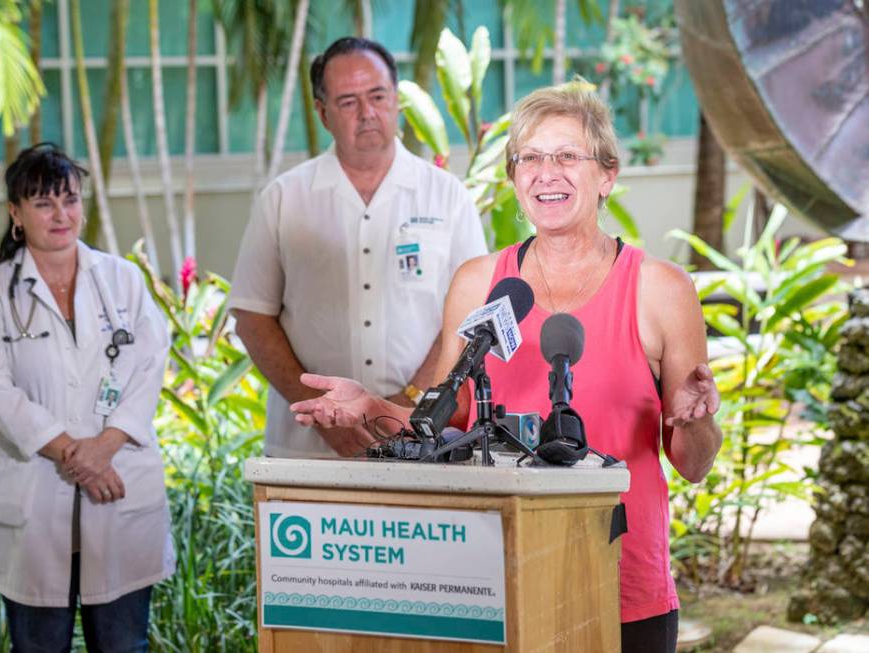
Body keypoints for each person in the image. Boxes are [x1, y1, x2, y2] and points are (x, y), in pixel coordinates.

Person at [289, 82, 722, 653]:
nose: (548, 173)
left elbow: (693, 465)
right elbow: (442, 433)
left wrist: (693, 422)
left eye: (568, 156)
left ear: (607, 176)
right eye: (531, 159)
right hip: (495, 579)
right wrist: (373, 407)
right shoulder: (478, 284)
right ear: (514, 179)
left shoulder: (661, 290)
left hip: (622, 584)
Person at [227, 36, 487, 459]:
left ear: (396, 100)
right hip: (306, 449)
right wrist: (324, 417)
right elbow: (253, 317)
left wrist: (407, 402)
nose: (367, 114)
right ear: (322, 112)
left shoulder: (447, 197)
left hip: (419, 440)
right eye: (348, 102)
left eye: (378, 96)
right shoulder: (284, 198)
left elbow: (469, 315)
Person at [0, 143, 174, 652]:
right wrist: (76, 456)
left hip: (118, 489)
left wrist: (104, 448)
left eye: (70, 200)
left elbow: (148, 367)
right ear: (16, 213)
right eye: (43, 203)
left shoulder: (122, 279)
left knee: (124, 646)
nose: (61, 214)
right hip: (35, 498)